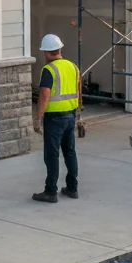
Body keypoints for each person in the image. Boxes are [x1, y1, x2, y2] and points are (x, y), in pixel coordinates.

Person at [31, 33, 80, 203]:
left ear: (46, 52)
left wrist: (37, 117)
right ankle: (72, 188)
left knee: (51, 155)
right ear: (59, 49)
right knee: (70, 152)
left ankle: (51, 191)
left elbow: (44, 95)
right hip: (70, 116)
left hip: (54, 119)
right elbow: (78, 90)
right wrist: (78, 113)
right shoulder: (73, 67)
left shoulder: (49, 70)